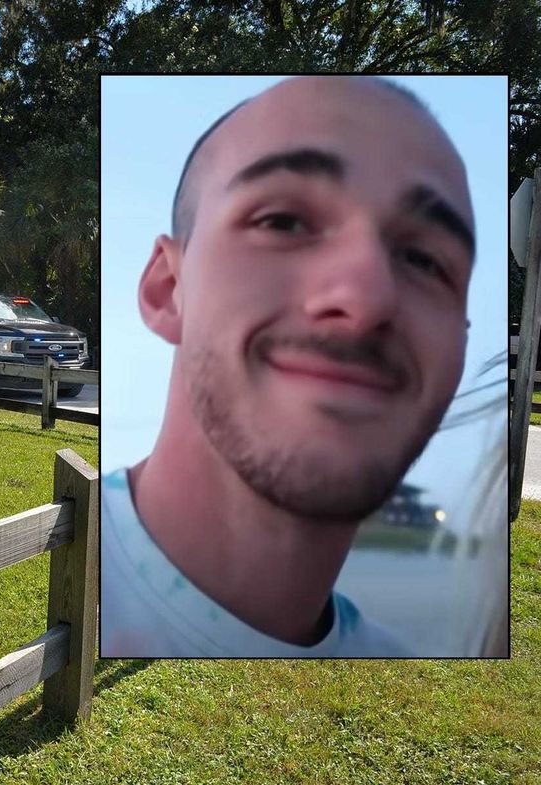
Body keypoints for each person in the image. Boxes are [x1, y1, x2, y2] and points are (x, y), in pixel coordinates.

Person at [101, 75, 476, 657]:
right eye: (282, 221)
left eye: (425, 260)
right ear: (167, 290)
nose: (366, 297)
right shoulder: (48, 581)